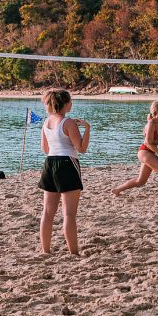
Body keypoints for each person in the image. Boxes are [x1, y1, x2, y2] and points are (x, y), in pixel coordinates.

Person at [38, 89, 90, 255]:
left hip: (50, 163)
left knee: (47, 212)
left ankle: (45, 250)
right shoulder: (68, 122)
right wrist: (87, 128)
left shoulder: (46, 122)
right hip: (67, 163)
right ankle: (73, 252)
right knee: (69, 214)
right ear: (66, 104)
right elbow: (81, 148)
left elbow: (45, 149)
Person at [113, 101, 158, 198]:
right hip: (144, 151)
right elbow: (148, 143)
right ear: (157, 110)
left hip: (151, 153)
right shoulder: (151, 123)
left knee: (140, 181)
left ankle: (117, 190)